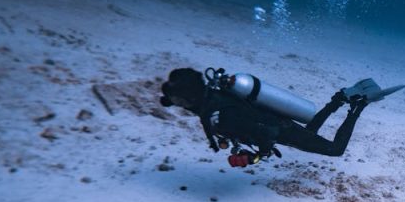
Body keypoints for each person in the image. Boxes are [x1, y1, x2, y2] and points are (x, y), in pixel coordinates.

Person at [159, 67, 382, 166]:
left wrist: (257, 156)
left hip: (278, 128)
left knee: (335, 150)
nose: (179, 105)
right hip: (274, 121)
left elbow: (265, 133)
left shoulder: (219, 115)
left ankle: (358, 106)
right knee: (307, 133)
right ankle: (338, 100)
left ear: (188, 98)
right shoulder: (211, 96)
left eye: (179, 101)